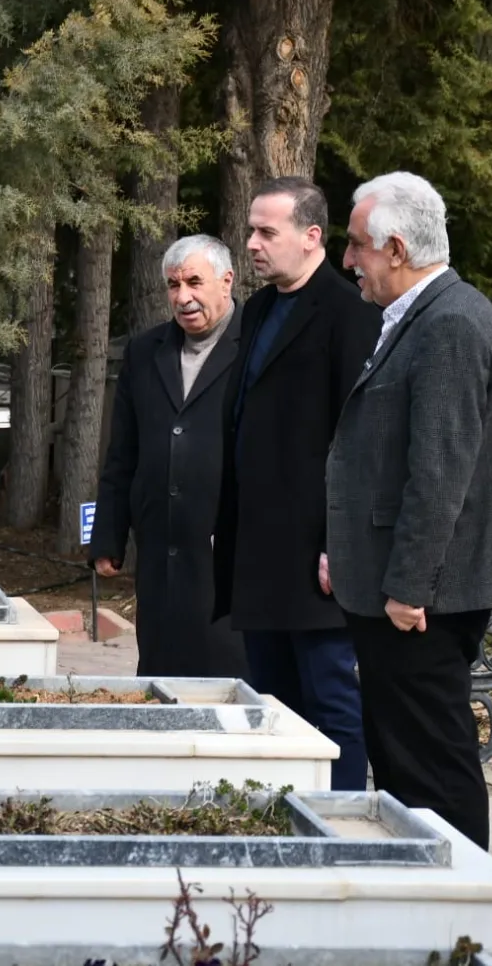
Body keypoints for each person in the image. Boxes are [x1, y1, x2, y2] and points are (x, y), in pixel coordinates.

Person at [325, 171, 492, 850]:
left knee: (430, 767)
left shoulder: (450, 324)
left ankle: (459, 912)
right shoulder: (426, 316)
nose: (348, 259)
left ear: (398, 249)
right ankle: (428, 896)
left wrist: (408, 587)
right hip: (406, 592)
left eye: (357, 246)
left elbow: (440, 474)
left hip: (422, 600)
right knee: (406, 763)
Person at [214, 176, 381, 791]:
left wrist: (339, 543)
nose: (252, 244)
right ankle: (280, 808)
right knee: (272, 701)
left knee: (330, 697)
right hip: (258, 549)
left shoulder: (348, 314)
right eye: (251, 230)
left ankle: (339, 820)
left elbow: (357, 441)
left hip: (316, 554)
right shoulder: (257, 310)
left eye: (266, 232)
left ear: (312, 236)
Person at [88, 235, 249, 679]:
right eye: (174, 286)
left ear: (226, 281)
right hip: (161, 545)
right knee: (162, 669)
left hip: (229, 547)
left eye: (195, 282)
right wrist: (108, 537)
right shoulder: (145, 351)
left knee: (228, 670)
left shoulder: (255, 345)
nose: (184, 297)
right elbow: (123, 451)